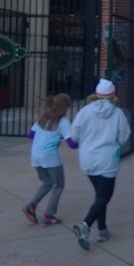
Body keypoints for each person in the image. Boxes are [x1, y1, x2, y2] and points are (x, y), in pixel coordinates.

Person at [70, 78, 131, 250]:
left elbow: (74, 136)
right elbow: (123, 137)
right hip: (107, 159)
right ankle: (85, 224)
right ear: (113, 95)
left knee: (100, 196)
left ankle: (102, 229)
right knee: (104, 197)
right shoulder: (118, 113)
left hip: (88, 158)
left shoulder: (84, 111)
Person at [22, 93, 77, 226]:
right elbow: (72, 144)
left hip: (36, 155)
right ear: (65, 107)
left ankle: (31, 206)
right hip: (50, 157)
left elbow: (30, 134)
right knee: (58, 185)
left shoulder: (43, 118)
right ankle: (48, 215)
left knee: (47, 182)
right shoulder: (63, 121)